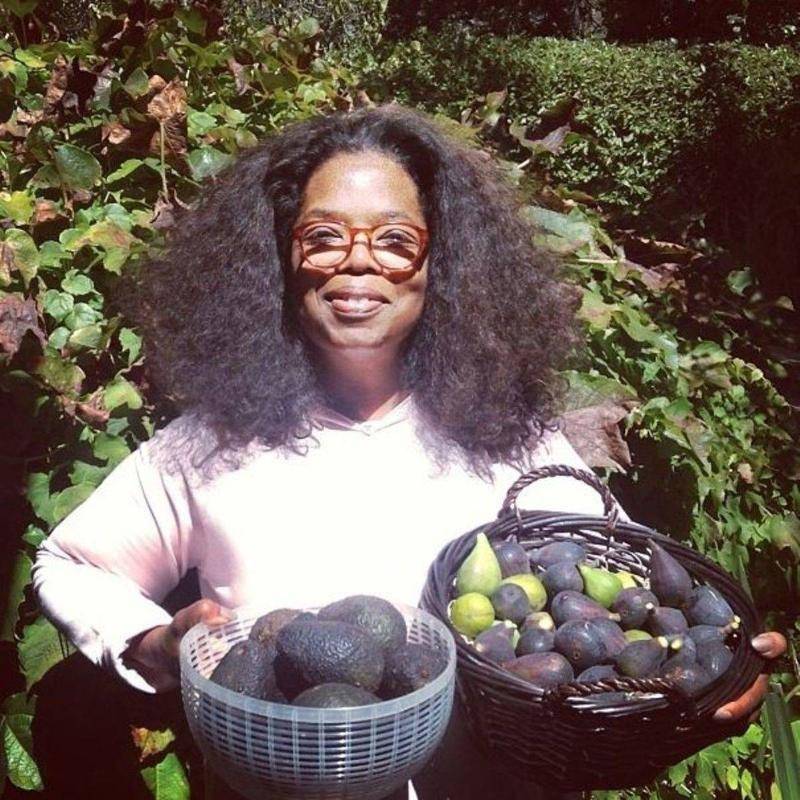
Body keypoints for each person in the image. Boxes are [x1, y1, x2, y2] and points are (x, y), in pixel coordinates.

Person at [32, 105, 785, 799]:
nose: (356, 263)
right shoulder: (209, 446)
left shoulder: (514, 441)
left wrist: (710, 673)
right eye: (322, 236)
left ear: (440, 266)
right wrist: (151, 644)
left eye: (395, 241)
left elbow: (627, 595)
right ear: (279, 261)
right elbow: (71, 563)